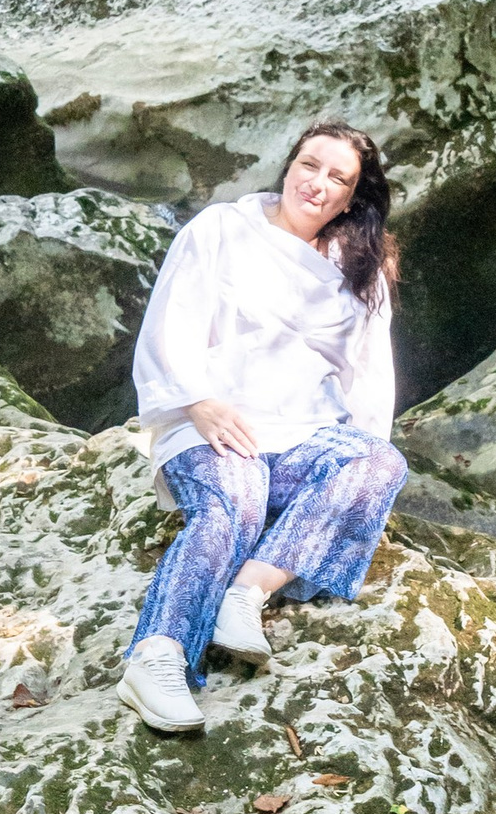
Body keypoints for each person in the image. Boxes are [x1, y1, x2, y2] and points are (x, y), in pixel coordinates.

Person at [118, 119, 409, 734]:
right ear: (289, 166)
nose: (319, 184)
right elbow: (172, 321)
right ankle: (157, 657)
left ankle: (244, 596)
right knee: (237, 500)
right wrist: (199, 402)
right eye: (311, 165)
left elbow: (370, 380)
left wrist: (356, 495)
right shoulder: (222, 229)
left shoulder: (363, 267)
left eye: (339, 178)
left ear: (352, 196)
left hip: (306, 434)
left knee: (379, 463)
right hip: (216, 424)